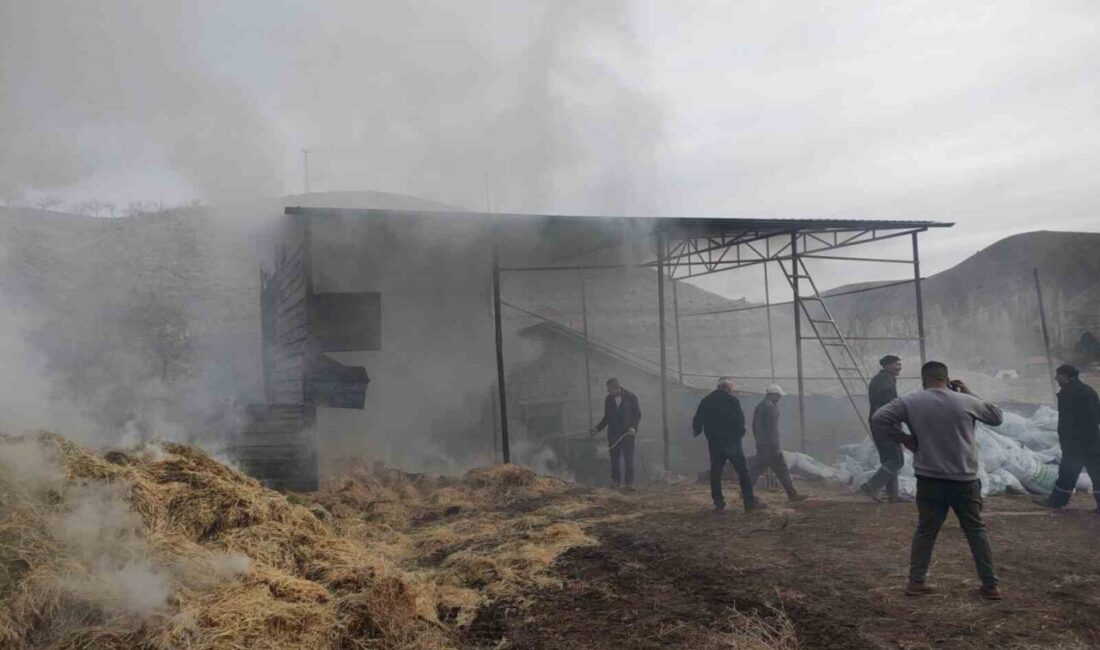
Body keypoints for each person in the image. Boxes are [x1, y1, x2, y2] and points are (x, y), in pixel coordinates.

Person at [872, 361, 1004, 600]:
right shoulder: (965, 401)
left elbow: (878, 418)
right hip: (964, 480)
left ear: (924, 379)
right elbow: (996, 417)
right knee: (975, 530)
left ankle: (916, 582)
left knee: (926, 531)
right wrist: (968, 391)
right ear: (947, 379)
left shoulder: (911, 401)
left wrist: (904, 438)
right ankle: (990, 586)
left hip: (929, 479)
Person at [1035, 365, 1100, 511]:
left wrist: (1071, 441)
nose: (1056, 379)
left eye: (1058, 376)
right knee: (1096, 474)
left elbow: (1071, 422)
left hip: (1077, 443)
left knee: (1067, 473)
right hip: (1091, 441)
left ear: (1066, 376)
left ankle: (1057, 501)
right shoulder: (1086, 391)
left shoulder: (1071, 394)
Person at [692, 377, 762, 512]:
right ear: (725, 387)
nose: (732, 390)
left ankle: (719, 503)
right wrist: (739, 434)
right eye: (731, 388)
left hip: (715, 443)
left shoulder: (707, 400)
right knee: (743, 472)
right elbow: (740, 420)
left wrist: (697, 430)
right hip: (732, 442)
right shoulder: (732, 400)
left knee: (716, 473)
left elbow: (698, 418)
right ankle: (749, 503)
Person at [860, 354, 910, 502]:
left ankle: (893, 494)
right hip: (886, 424)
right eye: (896, 364)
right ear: (887, 365)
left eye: (899, 364)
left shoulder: (882, 379)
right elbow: (890, 405)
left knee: (889, 460)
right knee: (896, 460)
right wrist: (898, 426)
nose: (899, 367)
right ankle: (872, 485)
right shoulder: (885, 381)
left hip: (879, 423)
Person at [748, 384, 806, 502]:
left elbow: (755, 427)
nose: (779, 398)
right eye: (779, 396)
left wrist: (760, 441)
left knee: (756, 470)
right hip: (771, 446)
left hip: (761, 444)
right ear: (773, 395)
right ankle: (792, 494)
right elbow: (772, 428)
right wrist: (775, 444)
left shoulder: (760, 406)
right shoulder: (770, 407)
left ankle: (746, 491)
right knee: (782, 470)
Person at [592, 378, 641, 489]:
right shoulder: (608, 399)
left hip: (627, 434)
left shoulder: (631, 397)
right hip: (613, 434)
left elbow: (637, 414)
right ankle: (616, 482)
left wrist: (633, 427)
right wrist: (597, 429)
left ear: (616, 388)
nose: (608, 392)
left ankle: (629, 483)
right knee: (614, 459)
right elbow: (606, 418)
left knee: (628, 459)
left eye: (610, 390)